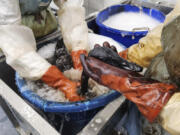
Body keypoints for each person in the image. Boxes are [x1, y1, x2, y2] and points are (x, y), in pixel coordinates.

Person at [0, 0, 89, 101]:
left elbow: (70, 5)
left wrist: (79, 52)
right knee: (16, 94)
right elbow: (10, 34)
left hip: (46, 23)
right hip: (10, 36)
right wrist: (61, 82)